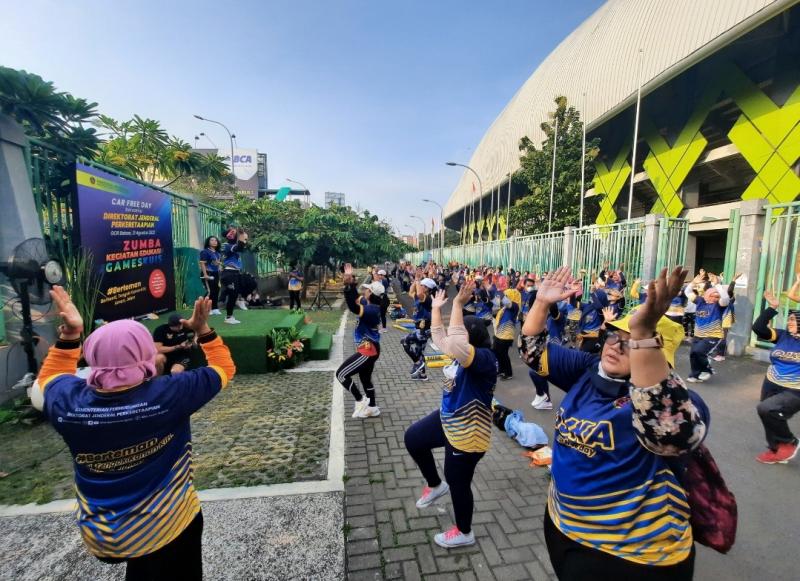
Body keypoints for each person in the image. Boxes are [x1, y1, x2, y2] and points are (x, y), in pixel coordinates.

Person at [31, 286, 235, 580]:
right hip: (167, 526)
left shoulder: (67, 401)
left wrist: (70, 335)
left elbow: (48, 379)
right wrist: (203, 331)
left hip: (101, 535)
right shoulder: (169, 394)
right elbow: (224, 367)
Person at [521, 267, 708, 580]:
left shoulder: (682, 405)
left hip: (632, 553)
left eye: (630, 340)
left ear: (659, 353)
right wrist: (541, 303)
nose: (615, 345)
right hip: (563, 524)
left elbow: (667, 436)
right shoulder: (590, 370)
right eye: (614, 335)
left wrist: (644, 334)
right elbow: (532, 352)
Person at [404, 281, 498, 549]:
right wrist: (436, 309)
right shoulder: (463, 354)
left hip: (469, 435)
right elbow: (441, 339)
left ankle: (464, 531)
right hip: (448, 419)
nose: (456, 334)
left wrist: (456, 304)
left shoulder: (484, 359)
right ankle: (435, 486)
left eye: (462, 331)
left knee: (458, 482)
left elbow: (454, 342)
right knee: (413, 439)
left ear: (472, 338)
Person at [751, 289, 800, 464]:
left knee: (767, 409)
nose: (790, 322)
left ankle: (789, 442)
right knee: (767, 413)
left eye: (793, 320)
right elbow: (758, 328)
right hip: (771, 382)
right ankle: (777, 449)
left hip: (795, 389)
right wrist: (772, 307)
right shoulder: (783, 335)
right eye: (789, 319)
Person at [337, 264, 383, 419]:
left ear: (371, 294)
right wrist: (349, 281)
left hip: (368, 350)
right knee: (364, 379)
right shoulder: (369, 303)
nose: (364, 291)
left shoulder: (371, 310)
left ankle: (360, 400)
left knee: (341, 374)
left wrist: (349, 284)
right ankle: (373, 408)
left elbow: (352, 306)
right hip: (371, 348)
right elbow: (356, 298)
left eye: (367, 290)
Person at [685, 277, 735, 382]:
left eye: (718, 296)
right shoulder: (700, 301)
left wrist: (717, 285)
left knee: (699, 352)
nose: (716, 297)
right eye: (714, 295)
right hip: (698, 335)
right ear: (706, 295)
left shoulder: (719, 305)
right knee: (693, 354)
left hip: (713, 335)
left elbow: (725, 298)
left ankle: (707, 370)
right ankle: (695, 375)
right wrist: (693, 282)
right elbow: (687, 291)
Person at [402, 276, 436, 381]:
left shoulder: (427, 298)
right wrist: (416, 281)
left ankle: (418, 363)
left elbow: (419, 294)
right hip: (419, 328)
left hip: (424, 330)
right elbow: (410, 292)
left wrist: (417, 281)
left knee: (405, 341)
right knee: (419, 352)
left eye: (422, 285)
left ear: (426, 288)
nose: (419, 286)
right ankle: (422, 375)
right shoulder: (419, 297)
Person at [220, 228, 249, 324]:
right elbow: (239, 247)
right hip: (228, 273)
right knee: (232, 294)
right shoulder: (226, 245)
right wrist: (241, 236)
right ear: (226, 235)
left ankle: (238, 300)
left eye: (233, 232)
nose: (232, 233)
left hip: (235, 273)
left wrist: (242, 235)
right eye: (230, 232)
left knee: (247, 285)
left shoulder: (234, 245)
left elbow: (241, 245)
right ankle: (228, 317)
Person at [492, 289, 521, 380]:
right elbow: (494, 314)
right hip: (499, 333)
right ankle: (501, 370)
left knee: (503, 354)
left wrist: (498, 291)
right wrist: (495, 301)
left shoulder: (515, 306)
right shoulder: (504, 308)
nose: (505, 297)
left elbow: (507, 302)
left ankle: (508, 373)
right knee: (497, 352)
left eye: (507, 295)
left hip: (507, 335)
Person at [199, 236, 222, 315]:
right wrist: (205, 274)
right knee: (210, 291)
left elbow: (217, 263)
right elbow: (202, 263)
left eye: (216, 240)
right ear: (208, 242)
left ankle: (215, 308)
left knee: (216, 290)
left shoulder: (218, 253)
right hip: (208, 273)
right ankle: (205, 309)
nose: (214, 241)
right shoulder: (205, 252)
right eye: (212, 240)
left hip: (216, 273)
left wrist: (219, 266)